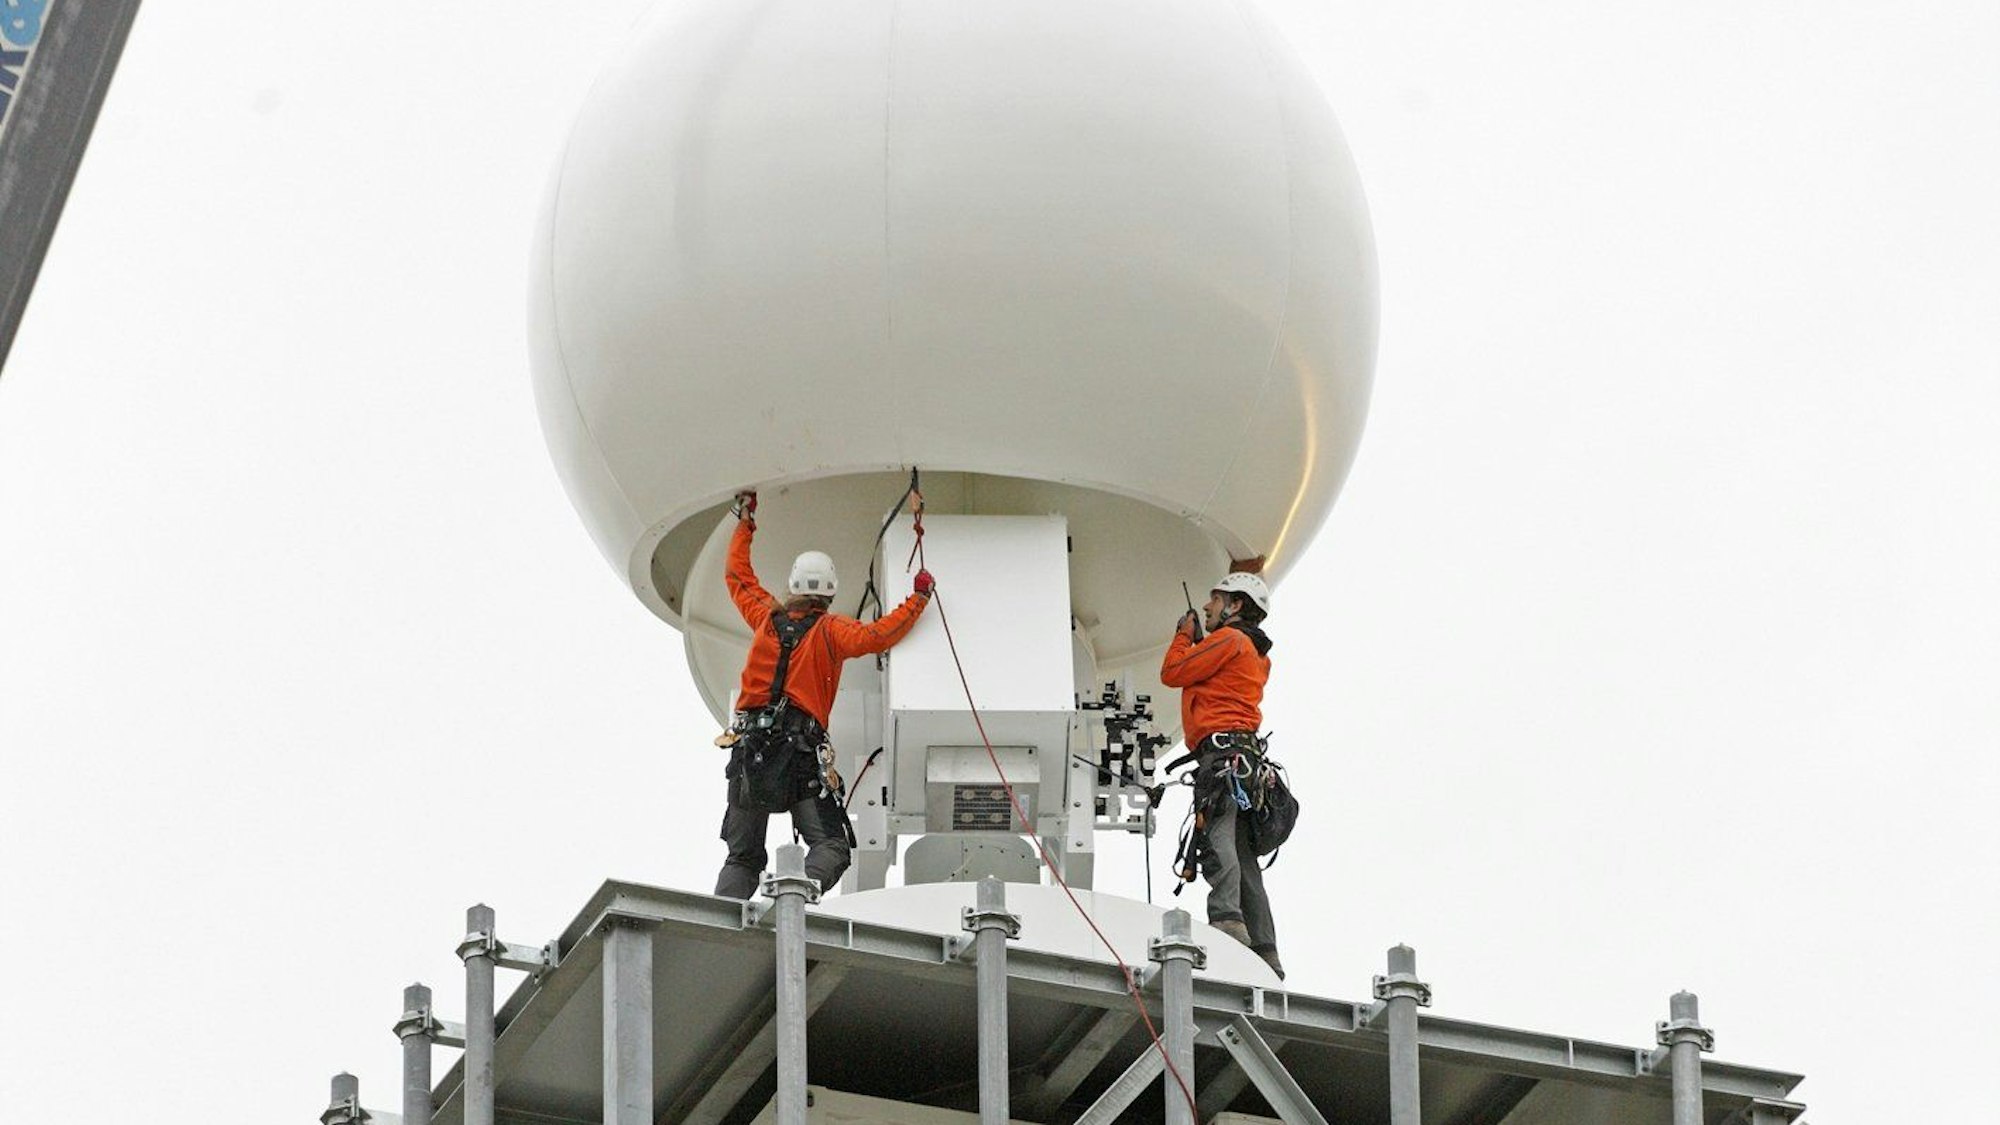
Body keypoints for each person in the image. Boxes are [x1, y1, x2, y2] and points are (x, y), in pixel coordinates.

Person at [713, 490, 934, 899]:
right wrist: (918, 598)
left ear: (793, 585)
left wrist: (745, 521)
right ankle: (791, 899)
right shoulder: (832, 631)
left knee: (743, 858)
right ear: (829, 594)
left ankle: (722, 925)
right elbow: (878, 634)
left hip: (749, 751)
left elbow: (737, 575)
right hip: (798, 755)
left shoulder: (766, 616)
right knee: (830, 846)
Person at [1160, 568, 1282, 978]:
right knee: (1245, 857)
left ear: (1235, 605)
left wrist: (1184, 636)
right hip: (1245, 762)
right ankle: (1265, 949)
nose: (1208, 607)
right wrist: (1202, 645)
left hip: (1223, 758)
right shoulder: (1252, 650)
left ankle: (1228, 921)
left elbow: (1173, 673)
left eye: (1216, 600)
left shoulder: (1228, 639)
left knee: (1218, 837)